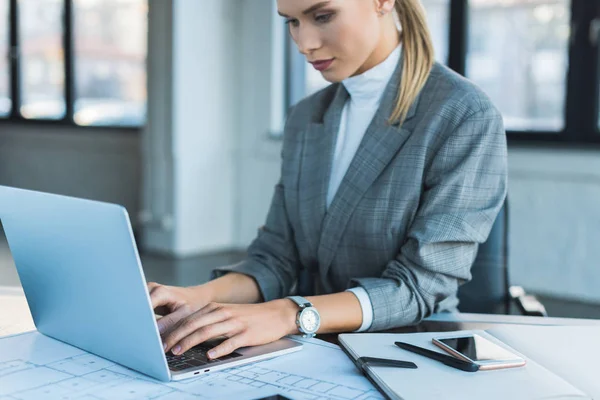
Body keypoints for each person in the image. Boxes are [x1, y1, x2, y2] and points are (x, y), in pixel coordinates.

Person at [148, 0, 507, 361]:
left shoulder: (462, 114)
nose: (304, 43)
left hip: (411, 347)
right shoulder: (307, 116)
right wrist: (196, 297)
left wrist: (290, 313)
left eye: (322, 16)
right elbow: (276, 257)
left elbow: (418, 287)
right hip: (315, 346)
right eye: (291, 22)